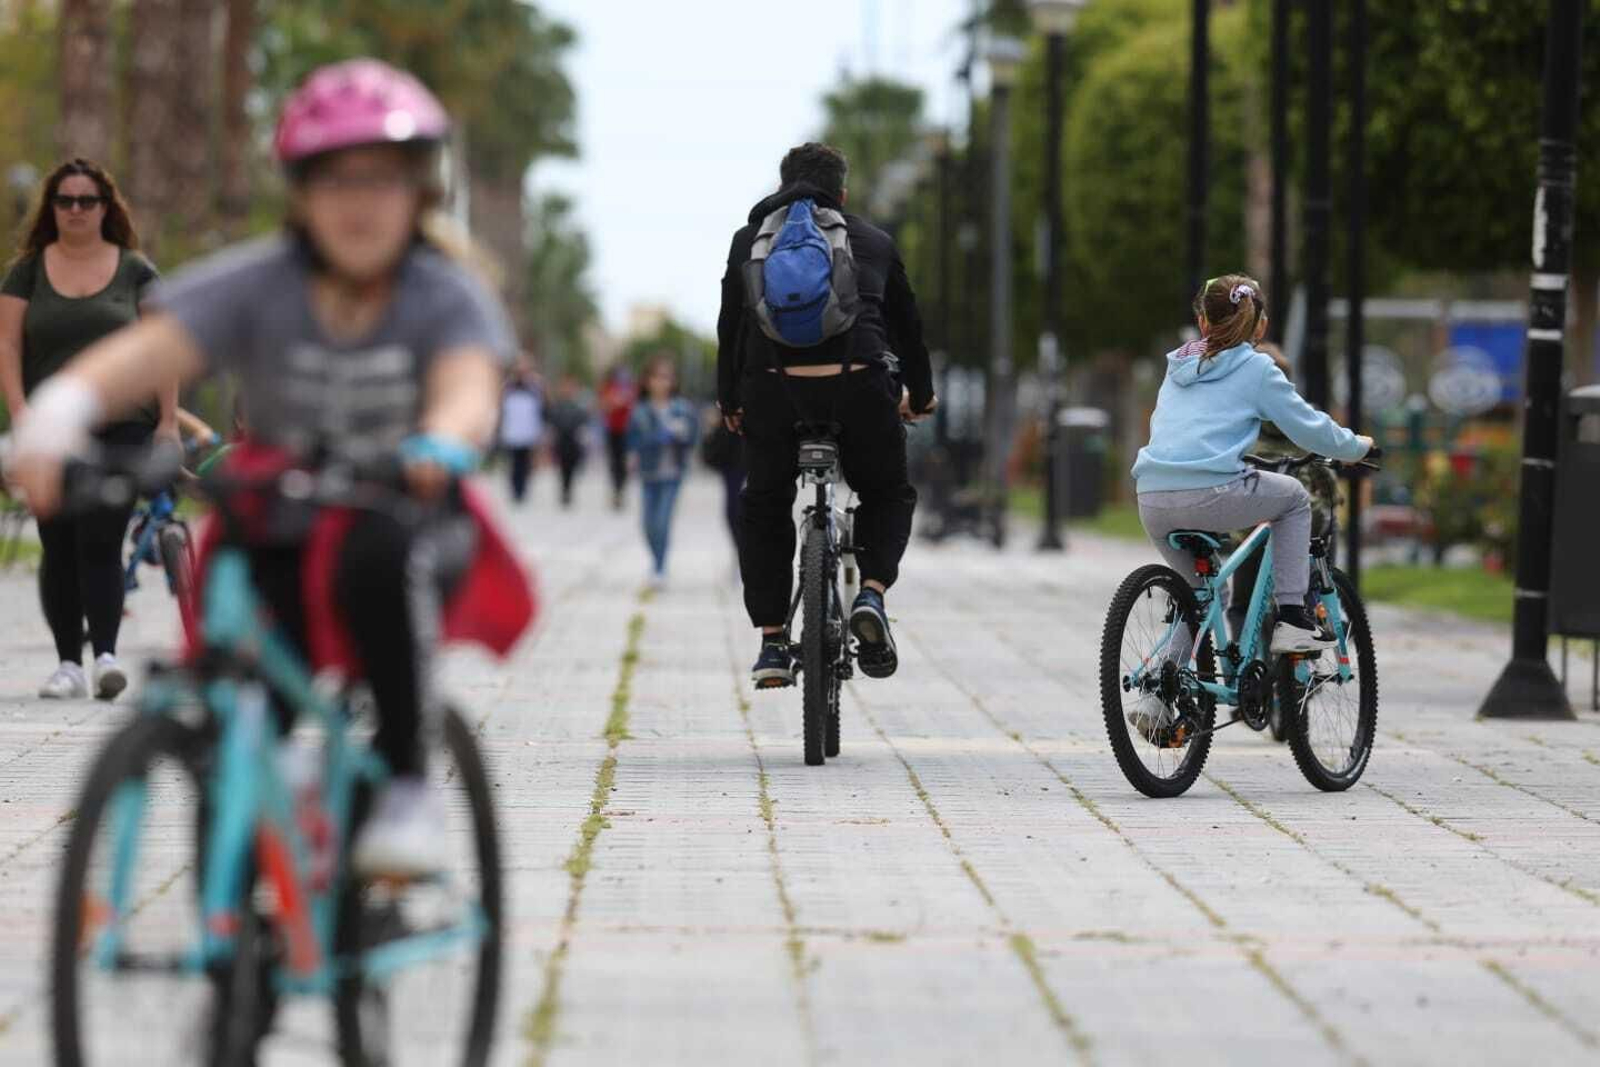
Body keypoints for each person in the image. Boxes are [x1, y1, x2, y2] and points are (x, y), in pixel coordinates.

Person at [7, 59, 533, 878]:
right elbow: (146, 352)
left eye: (382, 181)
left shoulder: (441, 291)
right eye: (334, 180)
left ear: (419, 194)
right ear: (300, 193)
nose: (358, 202)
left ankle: (404, 787)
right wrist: (55, 417)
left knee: (377, 560)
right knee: (245, 640)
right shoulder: (263, 280)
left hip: (405, 505)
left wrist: (440, 440)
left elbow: (468, 384)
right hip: (282, 508)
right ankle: (251, 900)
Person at [716, 142, 936, 688]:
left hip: (773, 391)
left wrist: (730, 402)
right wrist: (921, 394)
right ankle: (871, 593)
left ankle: (771, 643)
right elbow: (909, 331)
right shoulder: (874, 241)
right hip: (859, 385)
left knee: (764, 503)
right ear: (842, 191)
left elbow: (731, 331)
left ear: (783, 181)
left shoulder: (751, 241)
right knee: (887, 492)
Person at [0, 158, 175, 701]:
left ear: (106, 207)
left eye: (87, 200)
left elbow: (162, 347)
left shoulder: (136, 271)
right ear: (51, 208)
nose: (75, 210)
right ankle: (67, 664)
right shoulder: (26, 271)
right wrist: (20, 413)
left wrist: (168, 422)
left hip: (123, 427)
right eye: (65, 200)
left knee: (100, 538)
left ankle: (105, 656)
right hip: (52, 428)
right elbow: (7, 345)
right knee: (59, 543)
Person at [1132, 274, 1373, 657]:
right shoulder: (1257, 369)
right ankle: (1293, 619)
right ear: (1260, 324)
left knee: (1199, 592)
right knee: (1294, 497)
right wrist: (1355, 447)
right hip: (1211, 493)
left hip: (1152, 497)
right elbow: (1308, 428)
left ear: (1202, 322)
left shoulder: (1178, 365)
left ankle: (1160, 690)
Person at [626, 354, 697, 589]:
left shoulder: (682, 408)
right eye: (656, 377)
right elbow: (633, 440)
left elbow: (692, 438)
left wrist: (681, 436)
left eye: (666, 377)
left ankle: (659, 567)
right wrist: (658, 438)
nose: (661, 382)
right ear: (647, 381)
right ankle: (656, 560)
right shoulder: (640, 410)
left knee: (663, 521)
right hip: (648, 473)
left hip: (673, 474)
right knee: (647, 524)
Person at [499, 356, 543, 504]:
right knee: (514, 463)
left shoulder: (535, 387)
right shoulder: (508, 387)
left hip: (528, 431)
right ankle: (515, 489)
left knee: (525, 463)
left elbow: (542, 409)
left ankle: (523, 489)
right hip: (512, 430)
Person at [545, 373, 588, 508]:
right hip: (562, 439)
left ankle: (569, 490)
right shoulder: (558, 405)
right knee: (563, 467)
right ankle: (564, 491)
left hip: (574, 440)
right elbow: (552, 419)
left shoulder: (578, 406)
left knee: (572, 467)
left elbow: (583, 420)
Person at [598, 364, 635, 510]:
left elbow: (635, 407)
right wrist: (613, 403)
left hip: (627, 430)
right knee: (613, 461)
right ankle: (615, 490)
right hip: (612, 430)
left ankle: (621, 490)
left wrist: (625, 401)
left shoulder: (631, 388)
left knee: (624, 462)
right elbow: (603, 406)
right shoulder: (608, 387)